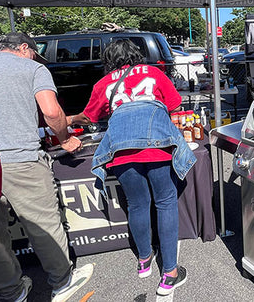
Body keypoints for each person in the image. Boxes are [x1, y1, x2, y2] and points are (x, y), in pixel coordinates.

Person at [0, 31, 93, 302]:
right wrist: (65, 139)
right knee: (43, 225)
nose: (36, 58)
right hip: (21, 159)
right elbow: (51, 111)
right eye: (34, 53)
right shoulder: (33, 68)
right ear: (24, 48)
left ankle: (11, 292)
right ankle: (62, 282)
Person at [68, 39, 195, 297]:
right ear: (136, 55)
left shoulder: (104, 84)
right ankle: (169, 273)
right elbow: (175, 106)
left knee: (137, 204)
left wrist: (69, 119)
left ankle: (144, 261)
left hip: (122, 148)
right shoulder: (154, 73)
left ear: (109, 59)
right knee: (165, 202)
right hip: (157, 146)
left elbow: (90, 117)